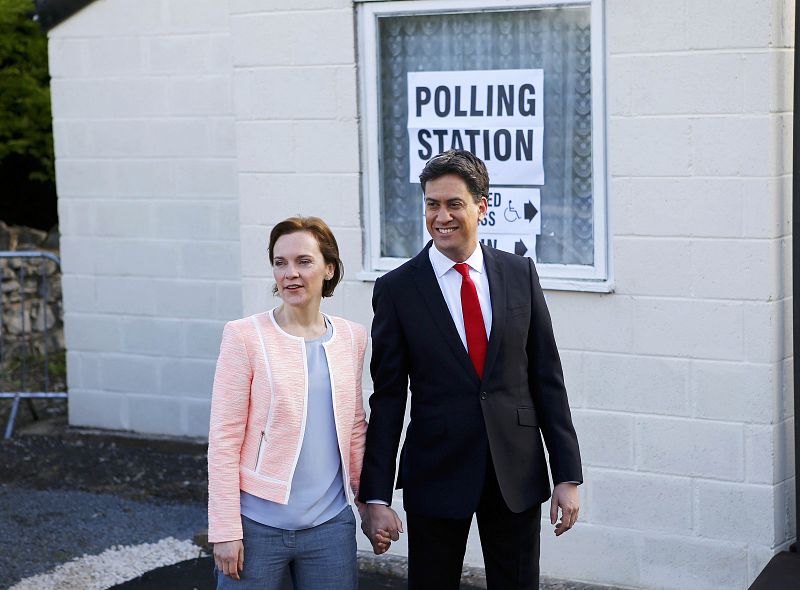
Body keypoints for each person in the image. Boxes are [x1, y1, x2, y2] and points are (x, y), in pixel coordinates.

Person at [359, 150, 583, 589]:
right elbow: (387, 400)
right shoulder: (397, 290)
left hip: (515, 472)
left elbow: (547, 379)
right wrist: (376, 497)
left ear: (482, 206)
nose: (441, 216)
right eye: (432, 204)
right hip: (437, 473)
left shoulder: (520, 274)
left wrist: (567, 475)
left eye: (453, 204)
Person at [208, 216, 380, 590]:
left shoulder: (352, 337)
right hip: (256, 529)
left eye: (303, 261)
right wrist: (224, 529)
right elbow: (223, 439)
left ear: (328, 268)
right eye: (280, 262)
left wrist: (368, 506)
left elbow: (353, 427)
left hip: (330, 528)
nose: (290, 273)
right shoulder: (244, 337)